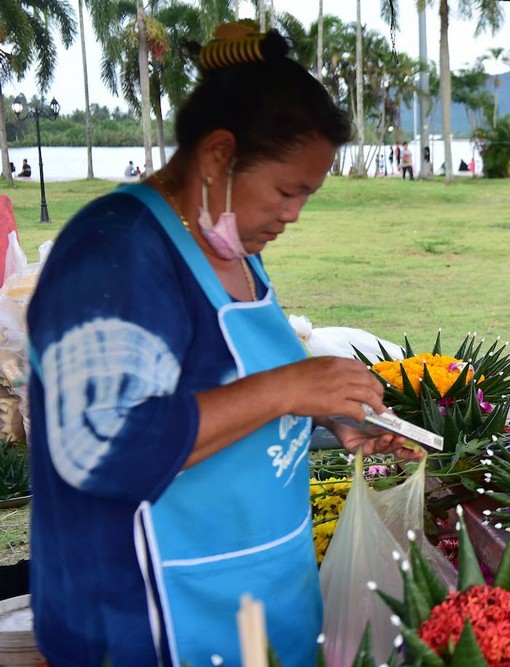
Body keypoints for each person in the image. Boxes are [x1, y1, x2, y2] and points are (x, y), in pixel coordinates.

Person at [27, 22, 421, 667]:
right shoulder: (115, 252)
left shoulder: (228, 243)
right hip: (153, 619)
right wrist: (288, 387)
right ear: (217, 156)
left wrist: (327, 414)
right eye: (288, 190)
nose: (294, 213)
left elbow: (226, 381)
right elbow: (99, 445)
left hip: (262, 588)